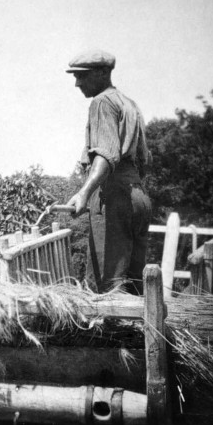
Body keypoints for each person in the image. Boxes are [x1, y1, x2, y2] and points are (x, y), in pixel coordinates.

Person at [64, 49, 152, 295]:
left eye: (82, 75)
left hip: (113, 196)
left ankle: (110, 333)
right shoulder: (129, 103)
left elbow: (106, 155)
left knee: (107, 286)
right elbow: (145, 158)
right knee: (134, 284)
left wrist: (84, 192)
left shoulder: (102, 102)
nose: (77, 83)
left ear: (103, 73)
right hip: (138, 196)